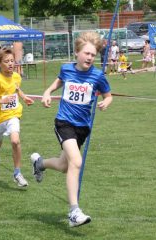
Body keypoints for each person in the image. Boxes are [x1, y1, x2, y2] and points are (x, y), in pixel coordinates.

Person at [30, 32, 113, 227]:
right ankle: (74, 211)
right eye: (86, 53)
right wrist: (47, 92)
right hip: (64, 123)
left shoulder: (98, 75)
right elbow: (59, 81)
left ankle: (39, 164)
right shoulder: (66, 69)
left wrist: (106, 102)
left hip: (82, 128)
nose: (90, 57)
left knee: (64, 166)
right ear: (77, 53)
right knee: (76, 162)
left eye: (93, 55)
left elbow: (108, 95)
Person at [0, 47, 34, 187]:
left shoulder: (16, 76)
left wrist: (24, 97)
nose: (10, 64)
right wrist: (1, 101)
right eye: (7, 61)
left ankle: (17, 173)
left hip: (13, 114)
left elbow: (16, 88)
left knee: (15, 141)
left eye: (12, 61)